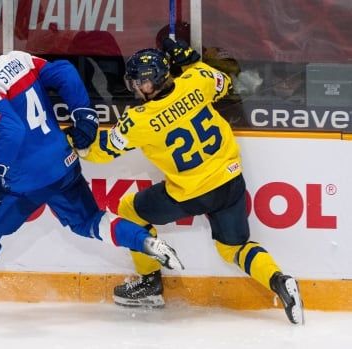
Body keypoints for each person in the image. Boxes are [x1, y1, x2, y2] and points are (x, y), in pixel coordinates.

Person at [0, 25, 184, 312]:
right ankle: (145, 241)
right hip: (64, 162)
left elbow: (10, 132)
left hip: (26, 180)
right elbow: (63, 71)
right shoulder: (18, 59)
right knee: (89, 221)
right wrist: (82, 113)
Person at [75, 40, 304, 325]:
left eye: (139, 82)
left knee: (130, 209)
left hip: (191, 194)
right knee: (233, 248)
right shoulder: (197, 80)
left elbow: (101, 152)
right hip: (230, 183)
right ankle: (279, 280)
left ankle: (149, 285)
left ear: (152, 82)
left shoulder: (139, 121)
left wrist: (75, 140)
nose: (135, 87)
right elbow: (221, 83)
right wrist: (192, 61)